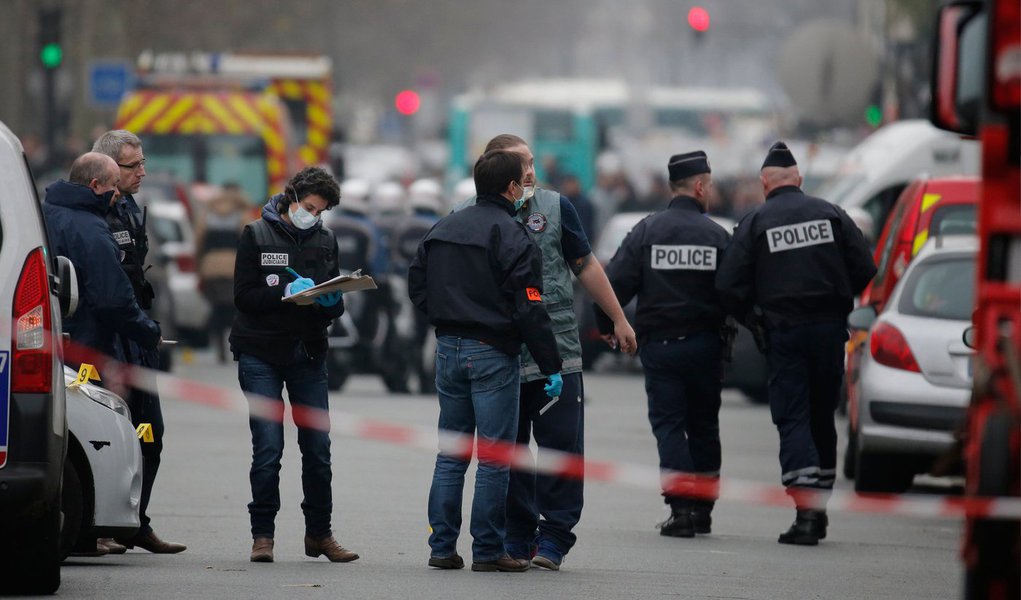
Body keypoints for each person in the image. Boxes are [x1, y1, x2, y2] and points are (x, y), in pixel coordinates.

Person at [460, 134, 636, 571]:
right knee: (512, 451)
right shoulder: (471, 214)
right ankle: (518, 537)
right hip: (501, 355)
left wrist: (617, 317)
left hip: (558, 350)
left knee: (561, 447)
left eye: (532, 162)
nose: (531, 172)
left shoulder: (556, 208)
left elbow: (586, 265)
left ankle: (555, 536)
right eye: (521, 164)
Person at [408, 150, 563, 573]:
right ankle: (489, 550)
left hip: (448, 349)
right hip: (493, 352)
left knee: (451, 454)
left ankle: (442, 547)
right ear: (511, 188)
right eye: (522, 181)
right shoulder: (514, 235)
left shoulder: (444, 226)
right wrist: (551, 364)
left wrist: (444, 317)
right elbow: (530, 306)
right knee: (494, 458)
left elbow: (416, 282)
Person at [715, 141, 876, 545]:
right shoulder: (831, 214)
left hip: (784, 334)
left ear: (764, 183)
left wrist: (754, 318)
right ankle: (819, 507)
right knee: (822, 415)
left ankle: (806, 514)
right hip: (829, 332)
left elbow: (729, 285)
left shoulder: (756, 222)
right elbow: (865, 267)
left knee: (793, 416)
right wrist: (839, 299)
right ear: (799, 179)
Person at [596, 150, 731, 538]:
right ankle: (703, 510)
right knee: (704, 425)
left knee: (669, 426)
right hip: (706, 346)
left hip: (662, 348)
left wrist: (608, 324)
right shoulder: (718, 236)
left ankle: (681, 509)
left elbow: (614, 282)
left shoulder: (647, 231)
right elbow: (737, 289)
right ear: (700, 186)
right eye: (711, 185)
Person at [229, 166, 357, 564]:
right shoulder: (255, 234)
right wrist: (285, 291)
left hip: (308, 352)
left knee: (318, 448)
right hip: (260, 353)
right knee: (268, 448)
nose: (313, 216)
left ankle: (320, 534)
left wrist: (332, 302)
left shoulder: (325, 239)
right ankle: (262, 535)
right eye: (311, 207)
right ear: (293, 197)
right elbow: (243, 296)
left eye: (321, 212)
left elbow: (331, 293)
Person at [42, 154, 164, 555]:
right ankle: (102, 529)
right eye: (113, 184)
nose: (116, 194)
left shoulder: (46, 212)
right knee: (111, 437)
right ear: (95, 185)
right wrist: (149, 332)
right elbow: (113, 299)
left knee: (63, 436)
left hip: (56, 345)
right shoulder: (91, 228)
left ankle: (93, 530)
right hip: (91, 351)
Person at [92, 130, 186, 554]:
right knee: (109, 437)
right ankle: (101, 526)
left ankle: (135, 522)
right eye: (134, 165)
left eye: (142, 163)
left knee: (149, 433)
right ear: (110, 168)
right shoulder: (95, 212)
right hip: (108, 343)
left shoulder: (128, 207)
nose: (143, 172)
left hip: (137, 336)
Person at [195, 183, 249, 363]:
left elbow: (198, 243)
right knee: (235, 309)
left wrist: (200, 266)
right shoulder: (241, 215)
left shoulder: (208, 214)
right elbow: (248, 243)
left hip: (211, 267)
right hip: (233, 267)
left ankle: (220, 349)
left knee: (217, 307)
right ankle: (236, 346)